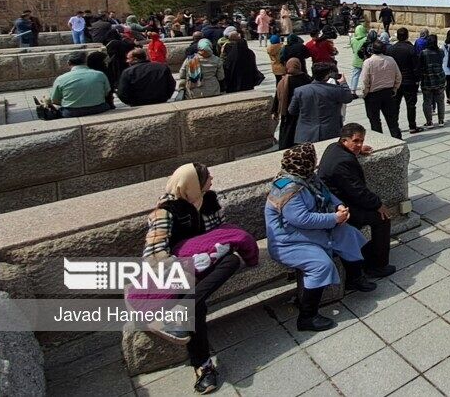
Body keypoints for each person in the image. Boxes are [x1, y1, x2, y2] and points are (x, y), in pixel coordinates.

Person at [141, 163, 249, 394]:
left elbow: (219, 231)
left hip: (206, 262)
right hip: (176, 271)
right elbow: (153, 257)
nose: (212, 179)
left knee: (232, 260)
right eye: (207, 177)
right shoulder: (165, 212)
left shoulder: (208, 201)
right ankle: (203, 365)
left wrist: (217, 249)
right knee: (196, 305)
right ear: (192, 184)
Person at [265, 144, 375, 332]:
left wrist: (339, 206)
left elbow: (327, 194)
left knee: (349, 234)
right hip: (289, 240)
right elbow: (301, 219)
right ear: (306, 162)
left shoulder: (306, 177)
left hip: (312, 230)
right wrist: (334, 218)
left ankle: (354, 278)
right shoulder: (287, 188)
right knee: (320, 264)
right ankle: (307, 316)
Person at [318, 124, 397, 280]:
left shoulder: (334, 147)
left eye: (361, 141)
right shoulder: (342, 163)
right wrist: (378, 204)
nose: (359, 144)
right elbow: (358, 192)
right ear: (345, 140)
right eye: (356, 141)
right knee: (382, 218)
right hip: (339, 208)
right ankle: (377, 266)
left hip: (339, 200)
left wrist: (358, 150)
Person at [47, 50, 113, 117]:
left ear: (68, 63)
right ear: (86, 62)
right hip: (99, 108)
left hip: (71, 112)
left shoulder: (60, 79)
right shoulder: (100, 74)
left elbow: (55, 100)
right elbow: (106, 93)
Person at [360, 41, 403, 138]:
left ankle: (380, 140)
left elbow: (365, 80)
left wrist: (365, 93)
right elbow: (398, 76)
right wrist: (395, 88)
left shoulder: (368, 62)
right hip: (388, 93)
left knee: (374, 120)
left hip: (373, 94)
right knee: (392, 119)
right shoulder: (391, 60)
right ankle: (397, 138)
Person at [385, 27, 422, 134]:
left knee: (395, 105)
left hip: (395, 81)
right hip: (409, 81)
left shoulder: (391, 49)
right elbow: (416, 66)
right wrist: (417, 79)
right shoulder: (411, 49)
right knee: (411, 105)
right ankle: (412, 126)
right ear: (407, 36)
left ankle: (395, 126)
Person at [419, 34, 447, 127]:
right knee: (440, 101)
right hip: (439, 79)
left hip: (427, 79)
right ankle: (441, 120)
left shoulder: (424, 53)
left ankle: (429, 121)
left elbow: (420, 65)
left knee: (427, 101)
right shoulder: (441, 52)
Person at [348, 24, 370, 93]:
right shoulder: (366, 39)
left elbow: (353, 50)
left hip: (356, 60)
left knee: (355, 76)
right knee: (365, 77)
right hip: (365, 61)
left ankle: (353, 90)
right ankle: (365, 90)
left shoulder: (352, 39)